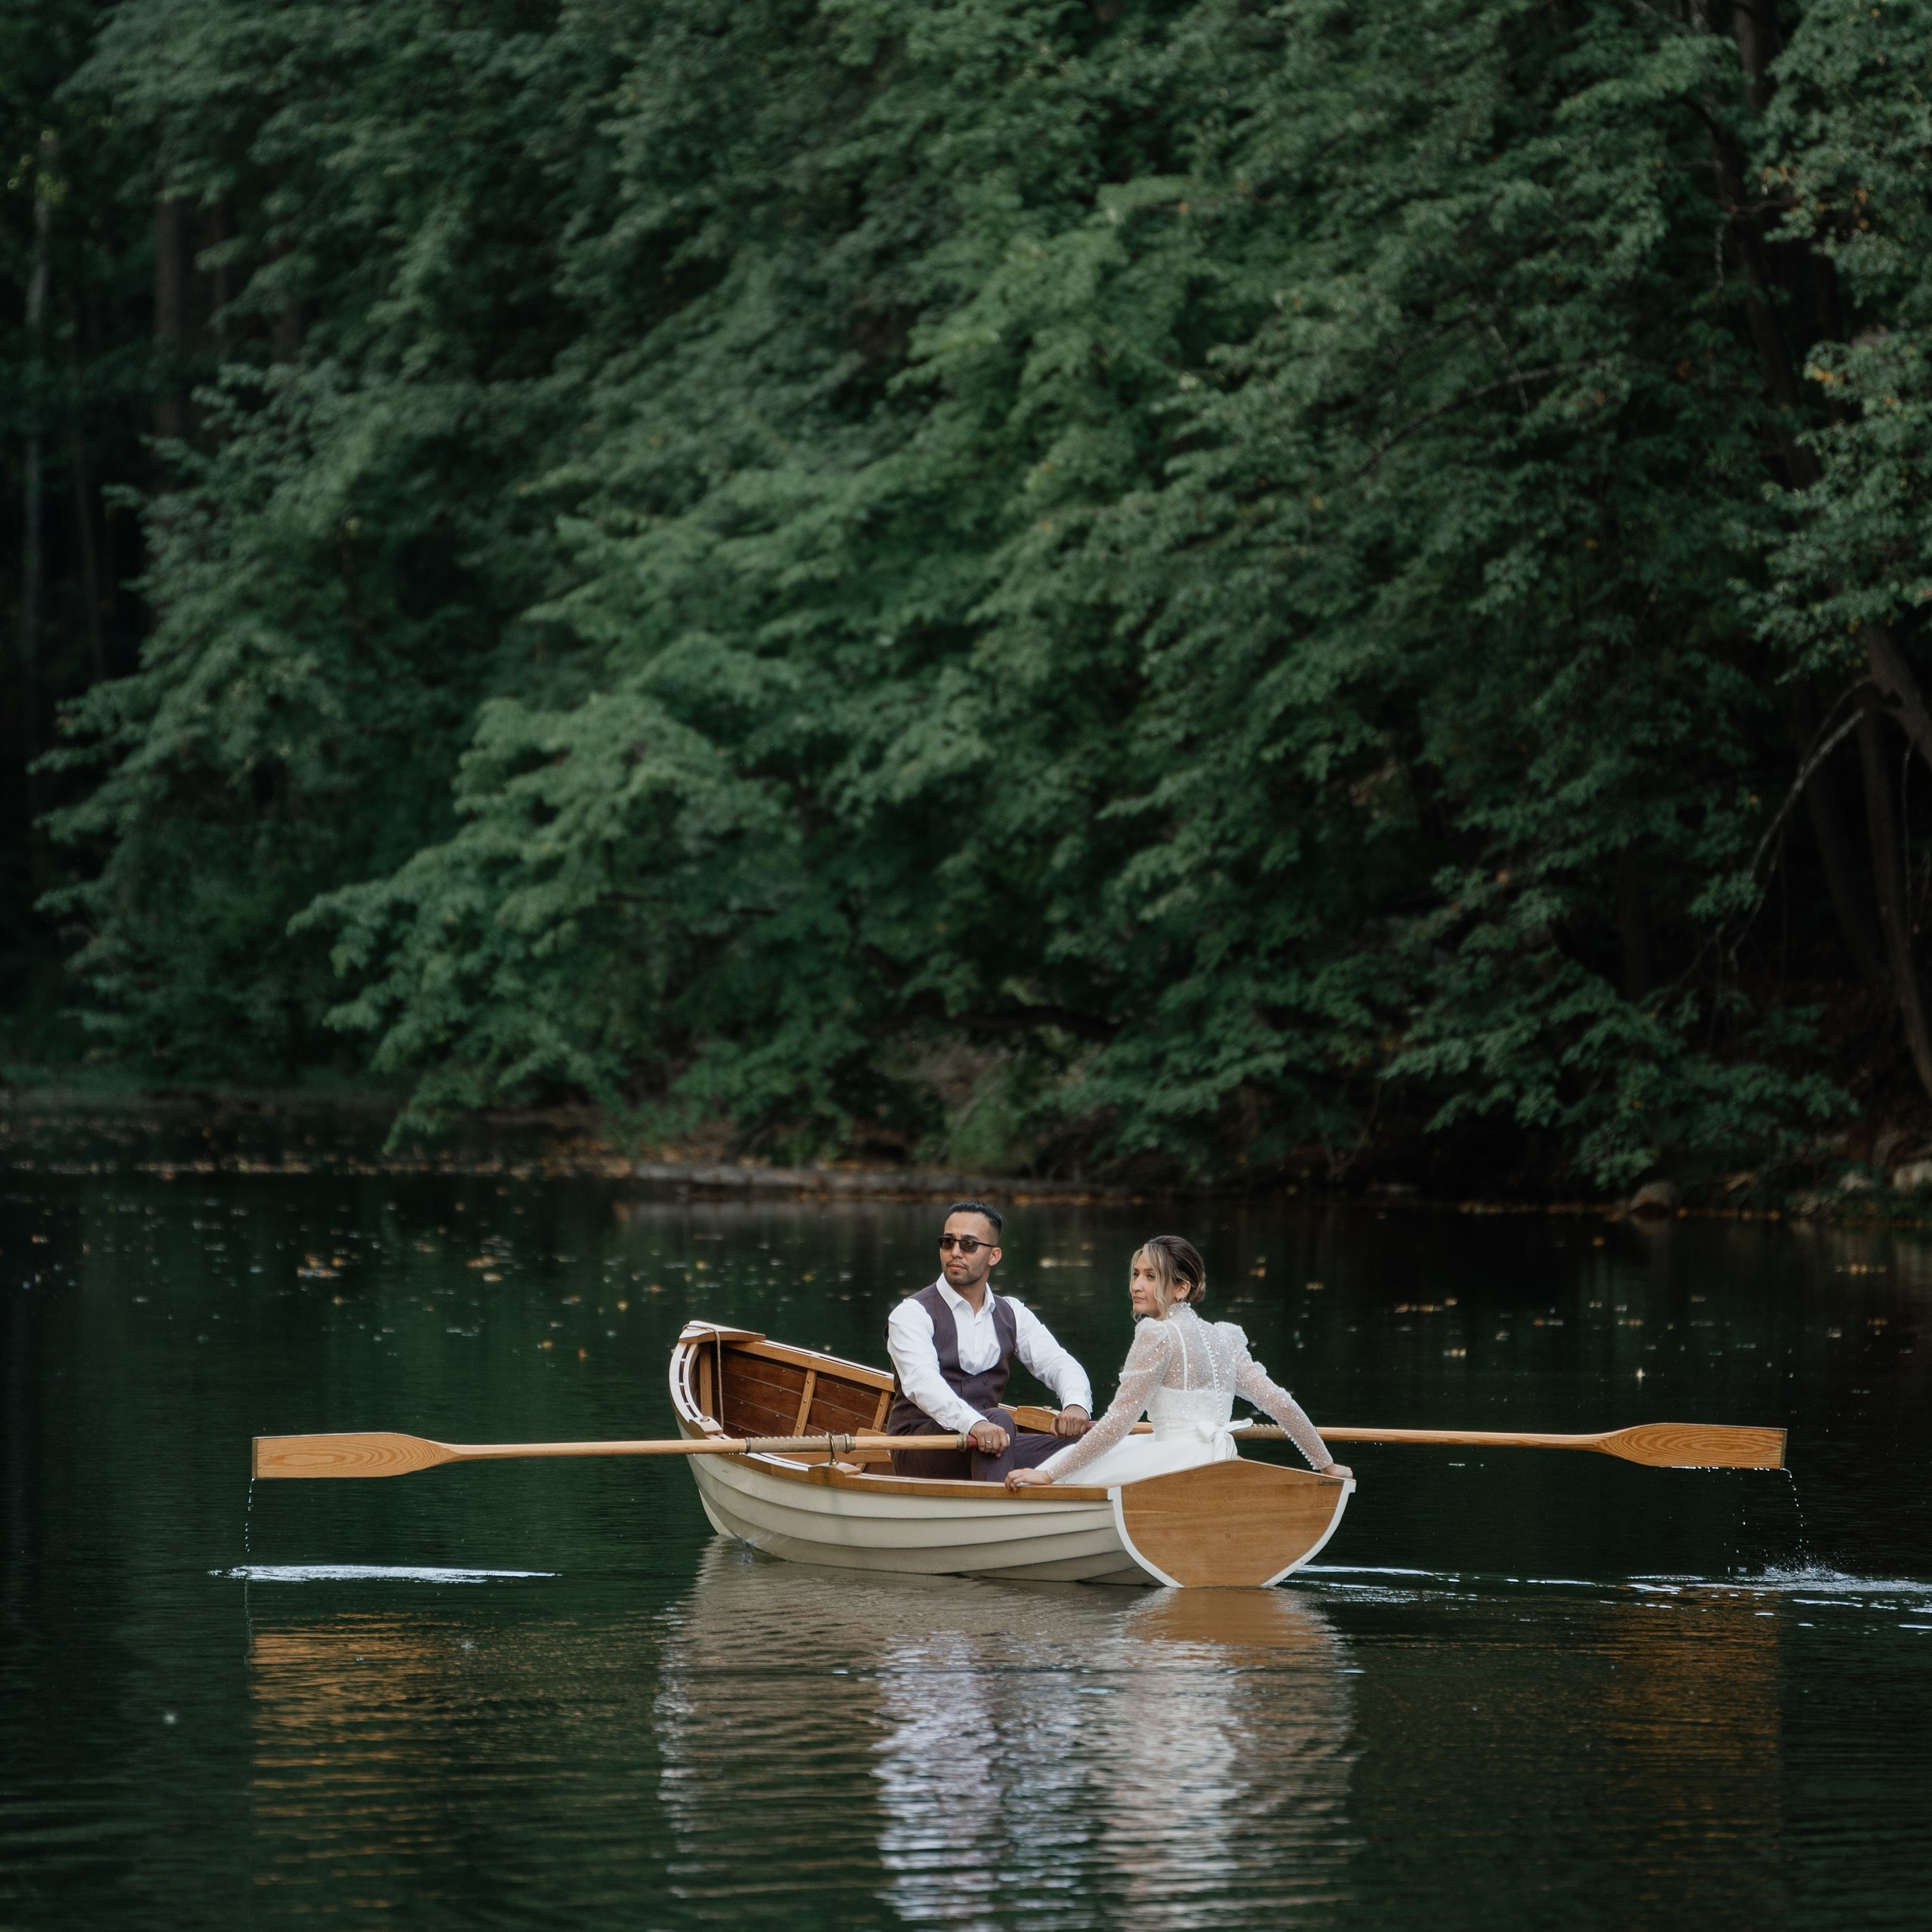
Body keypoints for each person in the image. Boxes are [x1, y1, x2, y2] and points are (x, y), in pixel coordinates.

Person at [1004, 1235, 1352, 1491]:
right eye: (1136, 1274)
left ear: (1181, 1288)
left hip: (1175, 1464)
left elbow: (1120, 1421)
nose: (1137, 1286)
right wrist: (1326, 1463)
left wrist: (1051, 1475)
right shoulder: (1224, 1339)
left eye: (1151, 1277)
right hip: (1220, 1461)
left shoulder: (1157, 1335)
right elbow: (1279, 1402)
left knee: (1064, 1474)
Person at [885, 1201, 1094, 1481]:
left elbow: (1058, 1363)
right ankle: (999, 1515)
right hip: (922, 1448)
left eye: (969, 1244)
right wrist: (974, 1423)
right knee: (1000, 1420)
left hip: (990, 1443)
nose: (955, 1252)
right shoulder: (912, 1314)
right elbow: (922, 1382)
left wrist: (1075, 1406)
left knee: (1091, 1443)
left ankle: (1005, 1498)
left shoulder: (1012, 1313)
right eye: (947, 1242)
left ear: (994, 1255)